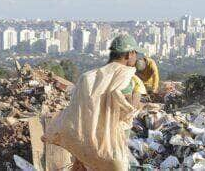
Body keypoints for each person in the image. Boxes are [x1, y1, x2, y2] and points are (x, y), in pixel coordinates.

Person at [42, 34, 146, 171]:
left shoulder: (89, 77)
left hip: (85, 144)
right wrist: (138, 99)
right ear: (129, 54)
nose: (136, 58)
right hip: (110, 145)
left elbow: (76, 109)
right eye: (135, 54)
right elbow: (127, 111)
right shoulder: (124, 78)